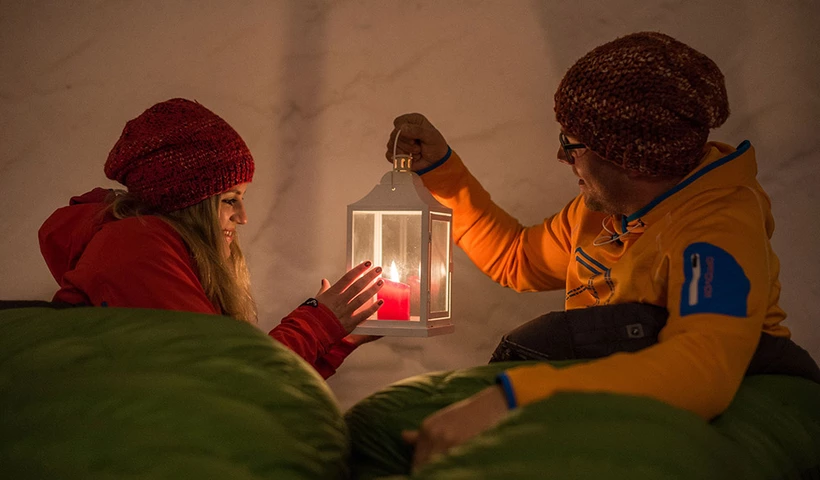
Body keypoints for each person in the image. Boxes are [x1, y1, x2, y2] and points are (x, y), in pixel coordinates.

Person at [387, 32, 819, 469]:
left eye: (573, 143)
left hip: (756, 402)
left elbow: (703, 368)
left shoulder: (718, 228)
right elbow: (515, 258)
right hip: (642, 396)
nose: (561, 155)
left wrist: (514, 397)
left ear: (629, 157)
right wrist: (442, 171)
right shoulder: (602, 211)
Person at [39, 98, 384, 379]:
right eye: (229, 200)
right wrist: (318, 322)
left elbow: (246, 388)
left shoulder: (158, 246)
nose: (243, 217)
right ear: (188, 202)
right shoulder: (139, 246)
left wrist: (336, 341)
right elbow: (225, 381)